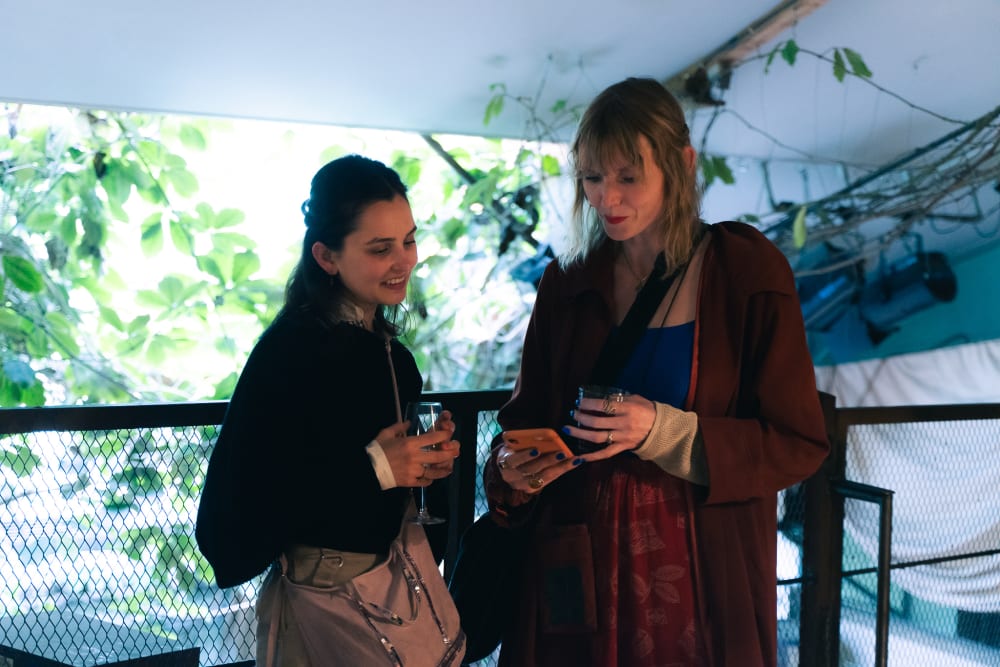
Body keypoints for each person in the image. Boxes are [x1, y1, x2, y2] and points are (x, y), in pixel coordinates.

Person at [484, 77, 830, 666]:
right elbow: (521, 426)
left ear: (682, 164)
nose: (606, 198)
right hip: (576, 563)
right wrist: (513, 469)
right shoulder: (567, 284)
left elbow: (798, 442)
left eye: (627, 176)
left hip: (700, 571)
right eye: (592, 177)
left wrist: (662, 431)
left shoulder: (744, 270)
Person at [195, 154, 463, 665]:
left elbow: (383, 494)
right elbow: (240, 505)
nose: (404, 260)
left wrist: (428, 465)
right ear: (326, 256)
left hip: (386, 586)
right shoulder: (292, 350)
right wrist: (380, 468)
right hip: (325, 597)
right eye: (381, 248)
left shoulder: (393, 358)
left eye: (409, 240)